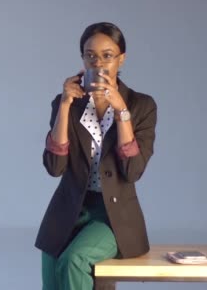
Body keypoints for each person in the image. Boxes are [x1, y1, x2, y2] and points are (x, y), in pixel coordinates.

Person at [35, 22, 157, 290]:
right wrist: (65, 107)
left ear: (121, 58)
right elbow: (55, 167)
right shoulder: (65, 102)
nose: (98, 62)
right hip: (69, 209)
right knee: (52, 266)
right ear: (82, 59)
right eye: (90, 55)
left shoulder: (140, 105)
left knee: (74, 259)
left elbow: (133, 171)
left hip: (114, 216)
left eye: (107, 55)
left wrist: (121, 111)